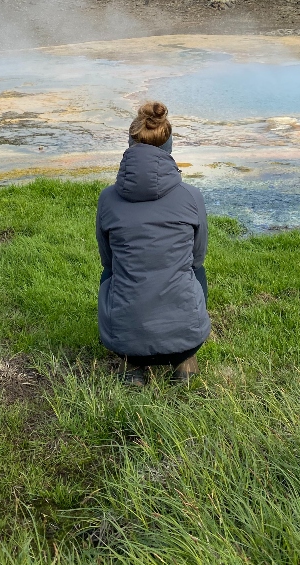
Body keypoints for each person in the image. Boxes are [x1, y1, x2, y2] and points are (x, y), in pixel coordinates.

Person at [96, 101, 211, 386]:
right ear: (168, 146)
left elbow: (108, 261)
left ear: (129, 145)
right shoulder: (192, 197)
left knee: (112, 273)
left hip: (122, 340)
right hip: (187, 340)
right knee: (195, 271)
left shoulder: (108, 199)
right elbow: (197, 259)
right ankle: (185, 357)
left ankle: (132, 364)